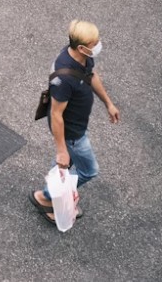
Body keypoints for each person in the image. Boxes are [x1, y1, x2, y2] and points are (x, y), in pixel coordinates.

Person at [31, 19, 117, 223]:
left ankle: (49, 192)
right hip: (73, 133)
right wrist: (61, 149)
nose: (98, 45)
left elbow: (91, 76)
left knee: (63, 165)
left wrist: (108, 103)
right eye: (94, 43)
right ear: (81, 47)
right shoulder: (63, 78)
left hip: (78, 125)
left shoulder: (83, 59)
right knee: (89, 170)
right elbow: (56, 115)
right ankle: (46, 197)